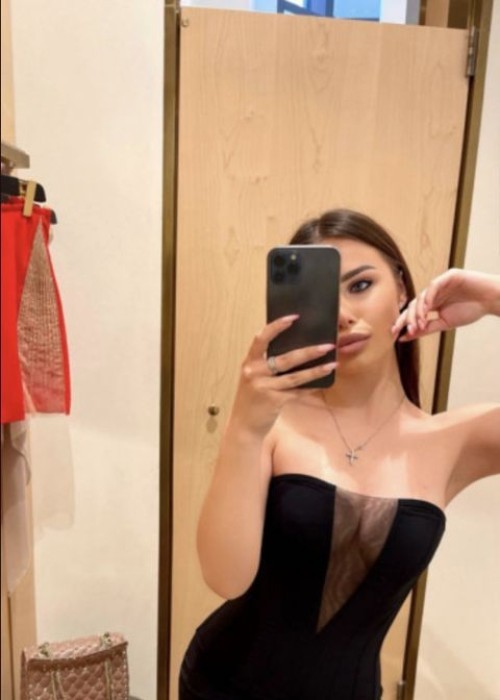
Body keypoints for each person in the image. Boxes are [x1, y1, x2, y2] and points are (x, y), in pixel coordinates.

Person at [179, 209, 500, 700]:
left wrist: (495, 297)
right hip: (222, 685)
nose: (343, 314)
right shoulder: (273, 422)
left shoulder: (454, 441)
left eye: (360, 285)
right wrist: (243, 426)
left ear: (401, 286)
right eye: (322, 298)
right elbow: (225, 578)